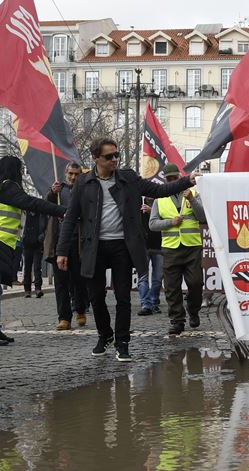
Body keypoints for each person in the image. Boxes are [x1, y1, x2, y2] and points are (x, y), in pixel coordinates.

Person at [56, 138, 198, 361]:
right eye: (109, 156)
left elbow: (160, 190)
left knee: (123, 297)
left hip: (123, 246)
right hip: (94, 247)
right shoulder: (84, 182)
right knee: (95, 296)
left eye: (117, 155)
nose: (114, 159)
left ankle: (122, 342)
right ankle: (105, 336)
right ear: (95, 158)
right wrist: (62, 251)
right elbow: (71, 217)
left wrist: (187, 181)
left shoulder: (128, 178)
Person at [0, 155, 66, 346]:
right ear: (13, 170)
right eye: (20, 169)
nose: (21, 173)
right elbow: (31, 203)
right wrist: (61, 210)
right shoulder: (6, 186)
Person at [149, 164, 206, 335]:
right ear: (165, 179)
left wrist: (192, 200)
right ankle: (177, 320)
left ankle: (193, 311)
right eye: (170, 178)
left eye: (175, 177)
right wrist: (170, 222)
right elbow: (152, 224)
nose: (173, 180)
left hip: (192, 246)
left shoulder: (194, 193)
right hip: (171, 248)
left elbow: (203, 217)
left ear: (179, 176)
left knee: (195, 283)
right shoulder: (159, 199)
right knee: (172, 287)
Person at [45, 162, 89, 330]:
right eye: (70, 173)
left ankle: (80, 310)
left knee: (79, 280)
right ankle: (64, 317)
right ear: (65, 173)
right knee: (61, 282)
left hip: (78, 242)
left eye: (76, 174)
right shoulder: (58, 191)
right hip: (59, 242)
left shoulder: (85, 190)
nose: (73, 177)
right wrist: (51, 193)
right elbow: (47, 204)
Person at [137, 196, 163, 317]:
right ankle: (145, 305)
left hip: (159, 246)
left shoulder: (162, 202)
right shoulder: (137, 202)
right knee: (143, 278)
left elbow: (169, 219)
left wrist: (152, 210)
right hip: (142, 247)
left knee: (157, 279)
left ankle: (153, 302)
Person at [21, 210, 47, 298]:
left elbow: (45, 228)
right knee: (27, 268)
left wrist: (42, 237)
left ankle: (38, 289)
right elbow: (20, 226)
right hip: (27, 244)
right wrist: (22, 237)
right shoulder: (25, 214)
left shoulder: (41, 215)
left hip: (37, 244)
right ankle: (27, 290)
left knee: (37, 267)